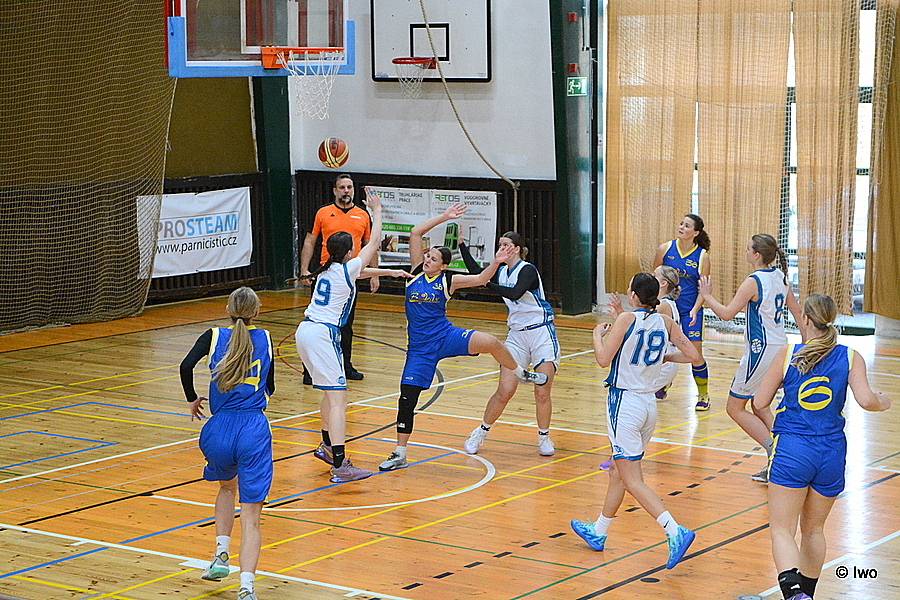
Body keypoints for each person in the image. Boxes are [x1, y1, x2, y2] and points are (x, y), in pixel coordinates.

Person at [377, 203, 549, 472]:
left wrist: (496, 262)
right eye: (427, 256)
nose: (427, 260)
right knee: (407, 398)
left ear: (443, 266)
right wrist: (445, 216)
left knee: (492, 342)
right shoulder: (414, 273)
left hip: (445, 336)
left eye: (433, 259)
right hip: (419, 348)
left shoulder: (449, 280)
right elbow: (415, 233)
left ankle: (521, 373)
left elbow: (481, 279)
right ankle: (400, 453)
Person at [753, 293, 890, 600]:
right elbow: (867, 401)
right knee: (814, 531)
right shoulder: (850, 356)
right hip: (831, 452)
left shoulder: (789, 354)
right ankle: (808, 594)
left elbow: (759, 403)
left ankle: (794, 594)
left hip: (793, 449)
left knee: (782, 530)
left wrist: (781, 427)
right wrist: (883, 401)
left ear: (804, 319)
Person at [570, 273, 700, 570]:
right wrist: (666, 357)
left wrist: (596, 336)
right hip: (648, 405)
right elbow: (693, 356)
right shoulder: (665, 322)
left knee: (632, 479)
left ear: (633, 295)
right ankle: (599, 531)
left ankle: (675, 530)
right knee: (618, 470)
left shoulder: (626, 319)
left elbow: (603, 359)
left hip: (625, 404)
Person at [296, 188, 410, 482]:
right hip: (323, 335)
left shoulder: (326, 269)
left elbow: (356, 273)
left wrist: (388, 273)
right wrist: (377, 212)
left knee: (329, 394)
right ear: (349, 252)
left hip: (305, 331)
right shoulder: (349, 267)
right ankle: (340, 464)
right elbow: (374, 242)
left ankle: (326, 446)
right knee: (339, 400)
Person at [180, 287, 274, 600]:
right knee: (251, 518)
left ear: (227, 309)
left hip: (217, 430)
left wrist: (192, 399)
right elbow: (270, 386)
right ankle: (246, 588)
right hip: (252, 429)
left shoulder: (213, 335)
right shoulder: (265, 339)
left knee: (225, 488)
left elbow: (185, 366)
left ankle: (221, 555)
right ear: (256, 311)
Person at [699, 233, 802, 482]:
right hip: (781, 346)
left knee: (735, 408)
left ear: (757, 255)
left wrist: (707, 296)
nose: (744, 252)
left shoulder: (753, 281)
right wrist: (807, 344)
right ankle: (782, 458)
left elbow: (726, 314)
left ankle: (776, 452)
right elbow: (798, 314)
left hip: (761, 349)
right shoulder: (781, 277)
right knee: (759, 404)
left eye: (747, 249)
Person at [457, 232, 559, 456]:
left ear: (517, 248)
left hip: (541, 332)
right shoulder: (501, 271)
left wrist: (487, 283)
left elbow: (515, 292)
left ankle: (544, 438)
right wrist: (462, 245)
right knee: (505, 390)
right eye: (500, 245)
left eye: (506, 244)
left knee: (542, 391)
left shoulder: (528, 269)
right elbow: (476, 272)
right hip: (516, 335)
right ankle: (480, 432)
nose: (501, 248)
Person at [598, 265, 687, 471]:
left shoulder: (661, 309)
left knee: (631, 391)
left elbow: (637, 331)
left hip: (644, 377)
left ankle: (619, 457)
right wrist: (621, 316)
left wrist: (601, 333)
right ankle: (619, 459)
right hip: (655, 377)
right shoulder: (664, 310)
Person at [299, 174, 377, 383]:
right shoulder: (323, 212)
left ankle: (345, 365)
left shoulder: (362, 214)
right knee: (318, 320)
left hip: (349, 276)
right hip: (327, 273)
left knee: (346, 324)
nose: (346, 191)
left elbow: (369, 245)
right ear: (334, 190)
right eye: (342, 187)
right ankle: (309, 370)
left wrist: (374, 273)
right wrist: (304, 269)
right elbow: (310, 241)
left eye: (349, 187)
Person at [654, 214, 712, 410]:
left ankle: (703, 395)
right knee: (662, 349)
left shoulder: (702, 256)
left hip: (690, 311)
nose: (681, 227)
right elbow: (654, 280)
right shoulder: (665, 249)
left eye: (687, 226)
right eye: (681, 224)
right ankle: (663, 382)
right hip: (667, 309)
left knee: (694, 354)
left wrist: (695, 309)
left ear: (696, 233)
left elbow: (704, 289)